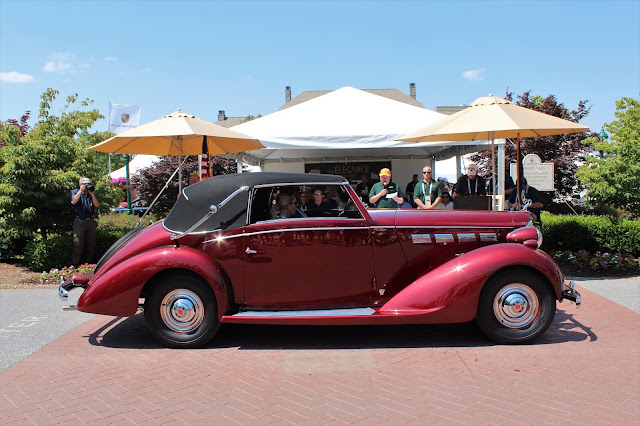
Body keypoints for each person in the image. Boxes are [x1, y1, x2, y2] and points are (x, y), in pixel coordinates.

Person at [71, 177, 99, 266]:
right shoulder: (76, 192)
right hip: (79, 221)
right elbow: (73, 202)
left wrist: (92, 194)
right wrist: (80, 191)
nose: (87, 186)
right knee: (78, 243)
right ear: (81, 185)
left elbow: (97, 205)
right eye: (85, 184)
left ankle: (87, 263)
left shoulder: (90, 194)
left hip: (90, 220)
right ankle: (75, 264)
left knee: (91, 243)